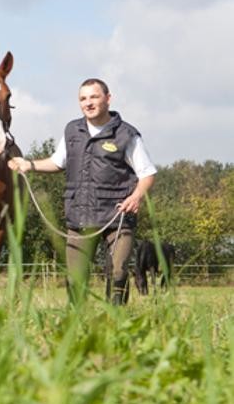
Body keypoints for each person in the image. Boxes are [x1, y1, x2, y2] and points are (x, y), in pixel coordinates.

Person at [9, 78, 156, 304]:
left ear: (108, 99)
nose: (88, 103)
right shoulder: (72, 130)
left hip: (117, 215)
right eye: (83, 98)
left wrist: (136, 196)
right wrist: (29, 165)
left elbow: (147, 173)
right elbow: (58, 162)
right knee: (76, 277)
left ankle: (117, 324)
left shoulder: (127, 134)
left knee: (118, 272)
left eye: (94, 97)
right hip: (80, 214)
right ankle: (77, 326)